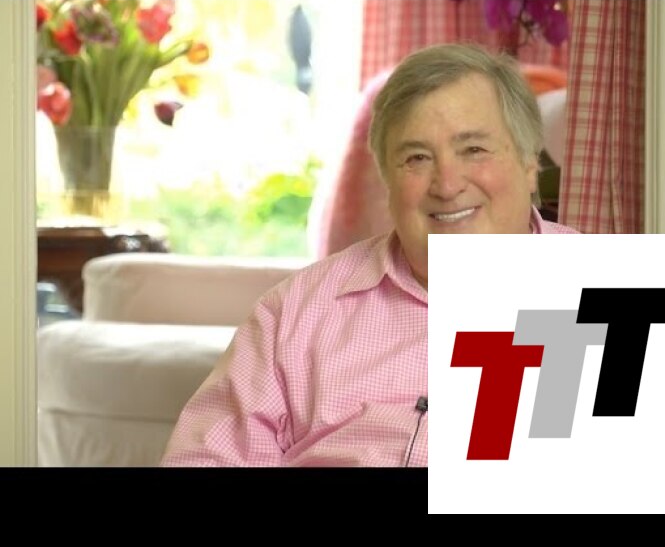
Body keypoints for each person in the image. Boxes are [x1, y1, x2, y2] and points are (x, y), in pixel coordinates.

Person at [159, 43, 580, 468]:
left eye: (473, 149)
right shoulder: (294, 313)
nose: (447, 184)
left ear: (530, 165)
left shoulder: (599, 292)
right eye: (417, 158)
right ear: (387, 180)